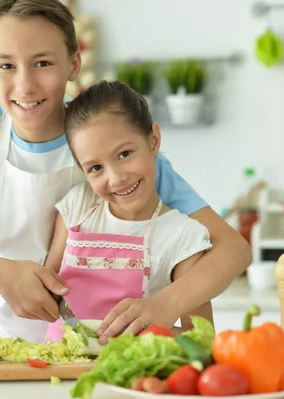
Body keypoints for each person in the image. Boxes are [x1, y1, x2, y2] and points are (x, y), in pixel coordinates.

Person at [0, 0, 250, 347]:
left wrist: (165, 306)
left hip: (100, 354)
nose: (25, 85)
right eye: (7, 65)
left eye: (42, 63)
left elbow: (232, 249)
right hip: (1, 349)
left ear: (74, 63)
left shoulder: (108, 138)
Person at [44, 80, 213, 342]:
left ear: (153, 141)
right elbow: (49, 284)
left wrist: (141, 332)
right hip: (56, 366)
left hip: (130, 379)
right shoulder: (77, 206)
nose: (116, 178)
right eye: (95, 168)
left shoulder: (184, 237)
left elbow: (202, 339)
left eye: (124, 154)